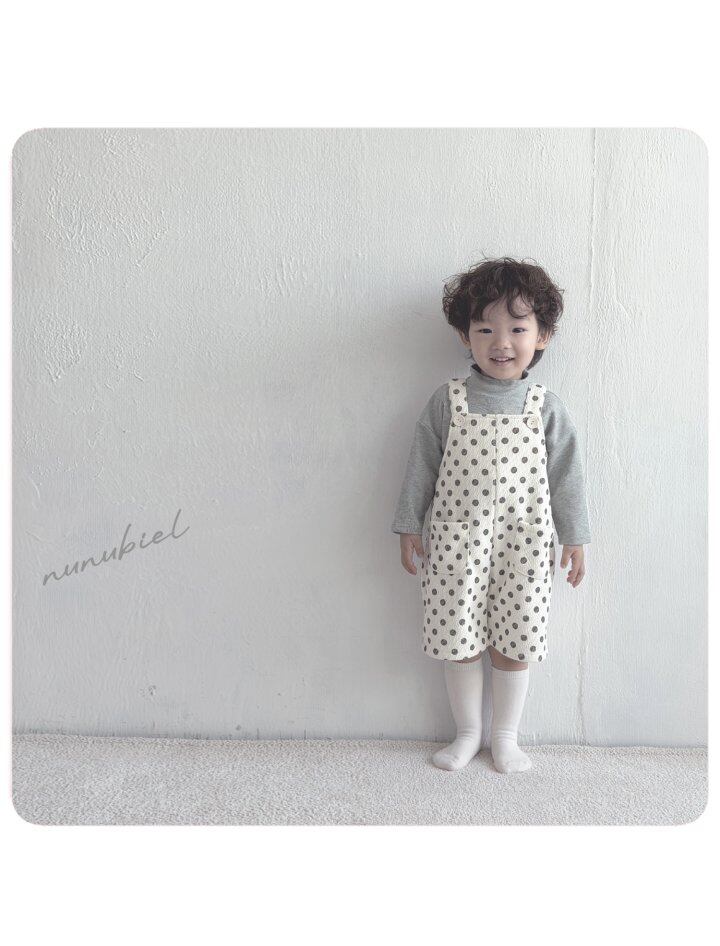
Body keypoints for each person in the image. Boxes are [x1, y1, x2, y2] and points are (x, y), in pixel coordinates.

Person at [391, 257, 590, 774]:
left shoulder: (545, 406)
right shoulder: (448, 401)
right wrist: (409, 523)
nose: (502, 342)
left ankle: (505, 736)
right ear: (466, 335)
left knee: (517, 636)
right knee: (457, 634)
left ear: (542, 335)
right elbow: (422, 464)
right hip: (457, 542)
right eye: (485, 329)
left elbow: (567, 474)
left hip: (525, 543)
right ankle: (468, 733)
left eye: (517, 329)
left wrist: (575, 537)